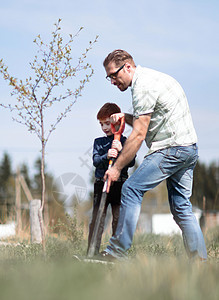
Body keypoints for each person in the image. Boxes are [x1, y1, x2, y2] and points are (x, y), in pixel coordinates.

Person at [100, 49, 207, 261]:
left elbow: (139, 134)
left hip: (171, 149)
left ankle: (116, 253)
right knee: (181, 207)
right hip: (188, 149)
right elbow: (149, 122)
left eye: (114, 75)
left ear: (128, 67)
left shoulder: (143, 87)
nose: (112, 81)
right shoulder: (152, 78)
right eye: (109, 77)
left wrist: (116, 168)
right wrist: (126, 117)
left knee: (131, 188)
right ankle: (200, 262)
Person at [87, 102, 135, 255]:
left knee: (118, 220)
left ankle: (116, 252)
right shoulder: (99, 142)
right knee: (97, 219)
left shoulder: (125, 141)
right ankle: (92, 252)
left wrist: (122, 151)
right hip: (101, 184)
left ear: (117, 123)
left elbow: (132, 162)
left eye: (108, 123)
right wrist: (106, 155)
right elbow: (95, 161)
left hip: (120, 185)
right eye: (101, 124)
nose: (105, 128)